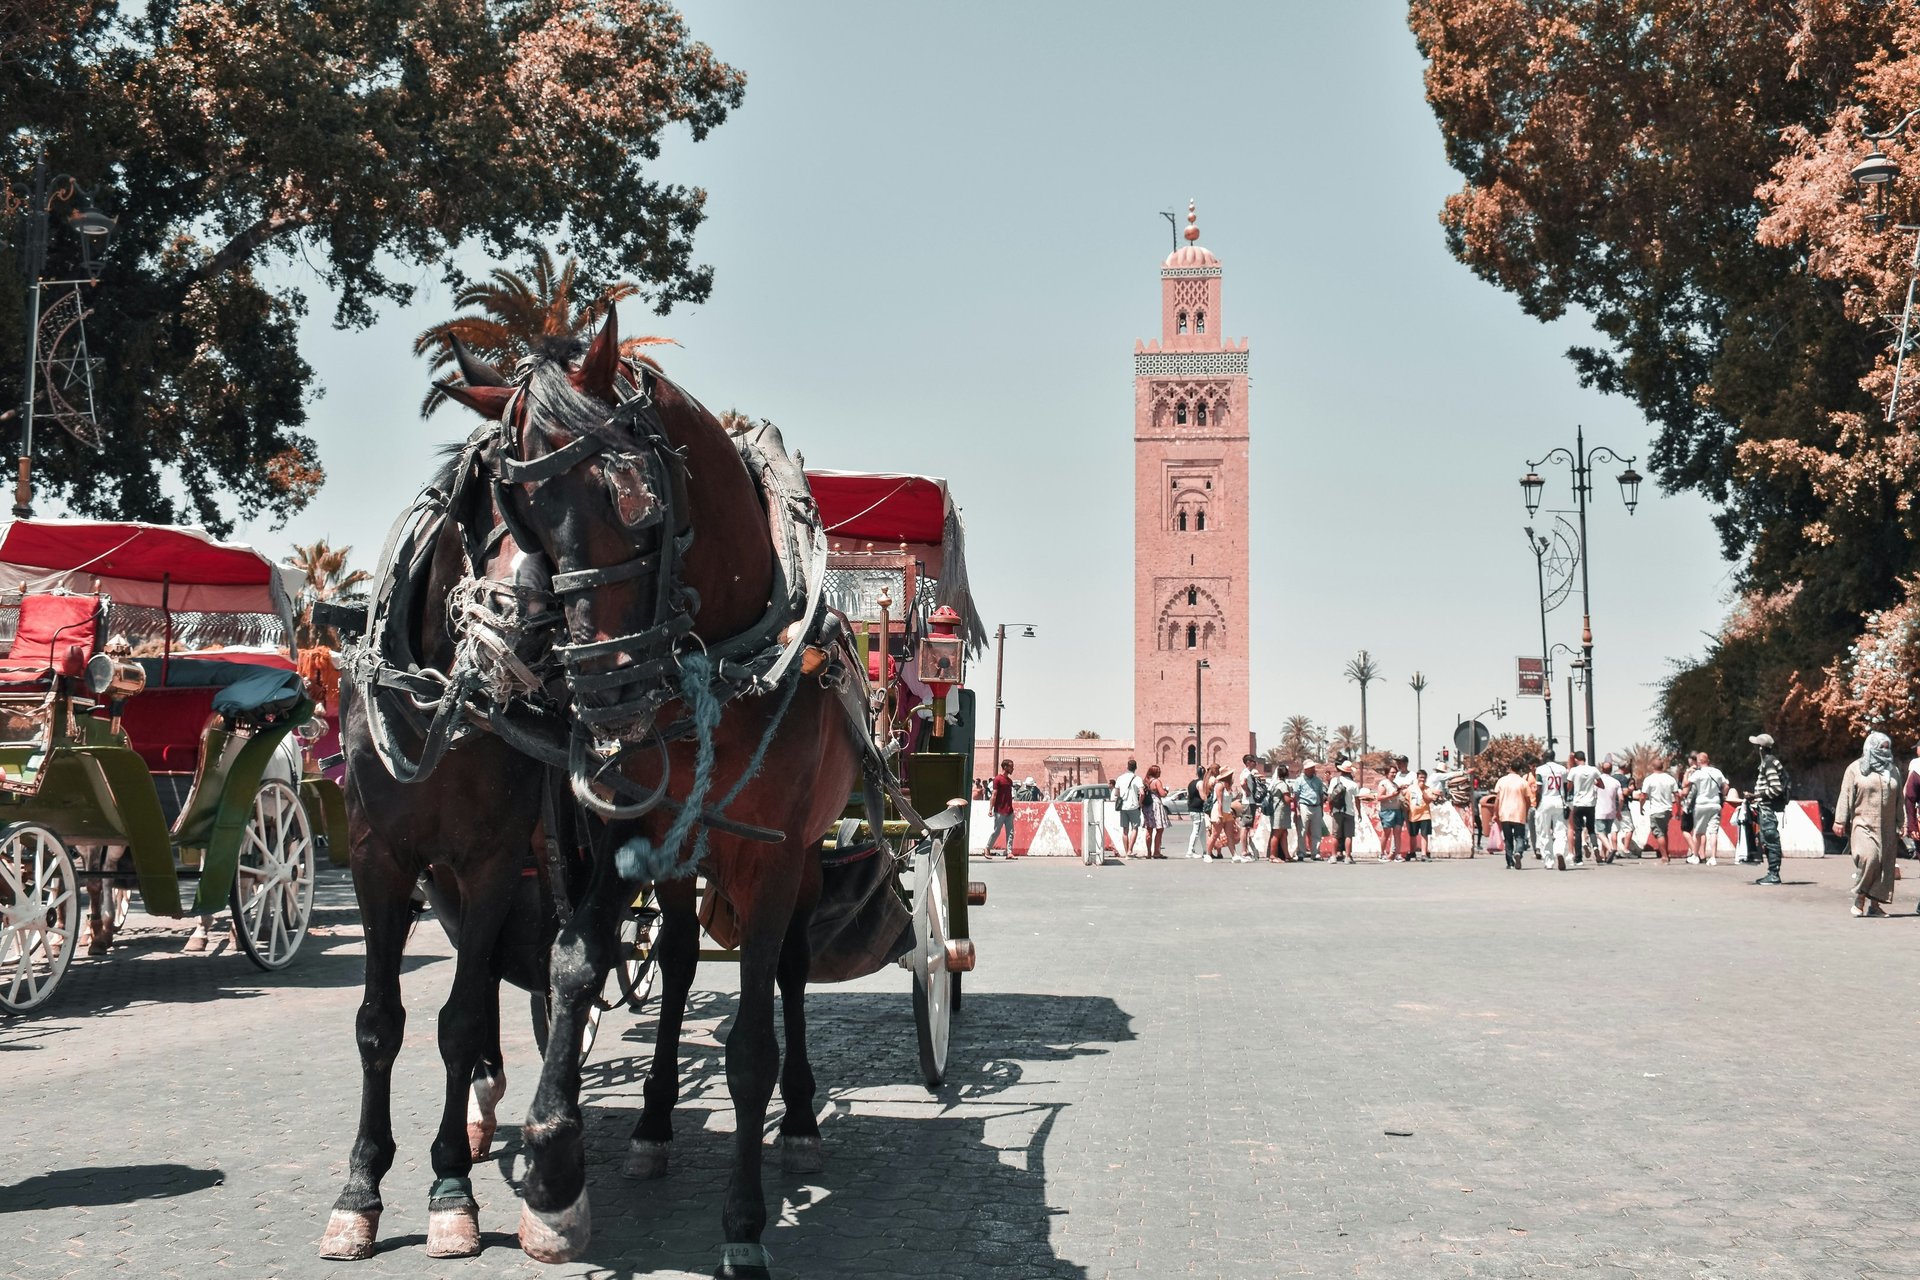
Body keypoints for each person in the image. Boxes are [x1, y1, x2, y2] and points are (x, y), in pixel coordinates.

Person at [1836, 731, 1901, 915]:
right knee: (1870, 858)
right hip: (1863, 823)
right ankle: (1860, 898)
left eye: (1887, 748)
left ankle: (1874, 906)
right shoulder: (1856, 769)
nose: (1885, 752)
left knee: (1884, 865)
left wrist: (1902, 822)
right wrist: (1840, 820)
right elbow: (1845, 794)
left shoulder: (1893, 770)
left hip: (1887, 826)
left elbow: (1899, 798)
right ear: (1871, 747)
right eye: (1881, 748)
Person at [1747, 733, 1790, 885]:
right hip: (1765, 808)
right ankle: (1771, 873)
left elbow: (1776, 788)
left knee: (1771, 839)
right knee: (1767, 839)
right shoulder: (1768, 762)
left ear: (1761, 748)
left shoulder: (1769, 763)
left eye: (1755, 746)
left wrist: (1757, 795)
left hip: (1767, 808)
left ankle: (1774, 874)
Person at [1684, 751, 1728, 864]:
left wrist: (1687, 773)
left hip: (1701, 804)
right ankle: (1713, 857)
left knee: (1698, 832)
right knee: (1713, 832)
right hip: (1715, 804)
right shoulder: (1717, 772)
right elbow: (1726, 786)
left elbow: (1685, 784)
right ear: (1708, 760)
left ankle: (1695, 856)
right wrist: (1723, 794)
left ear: (1698, 762)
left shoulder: (1698, 773)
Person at [1494, 758, 1534, 869]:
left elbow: (1497, 799)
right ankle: (1518, 852)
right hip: (1519, 813)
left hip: (1505, 814)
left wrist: (1495, 813)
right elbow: (1528, 800)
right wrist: (1526, 812)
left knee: (1508, 838)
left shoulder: (1502, 781)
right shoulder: (1523, 782)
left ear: (1510, 768)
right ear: (1520, 770)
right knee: (1519, 837)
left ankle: (1510, 862)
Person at [1639, 758, 1679, 863]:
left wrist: (1641, 806)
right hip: (1667, 809)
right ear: (1663, 767)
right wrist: (1678, 809)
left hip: (1656, 810)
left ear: (1652, 767)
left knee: (1659, 833)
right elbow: (1677, 795)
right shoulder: (1670, 779)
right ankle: (1666, 853)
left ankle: (1664, 856)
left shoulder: (1649, 779)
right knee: (1664, 831)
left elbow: (1643, 795)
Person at [1534, 753, 1569, 869]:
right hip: (1559, 801)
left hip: (1545, 802)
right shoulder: (1562, 769)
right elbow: (1565, 787)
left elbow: (1538, 788)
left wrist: (1537, 804)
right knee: (1560, 831)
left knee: (1544, 832)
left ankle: (1549, 861)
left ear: (1544, 757)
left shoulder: (1540, 770)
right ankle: (1559, 852)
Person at [1565, 751, 1599, 864]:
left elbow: (1569, 787)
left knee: (1578, 831)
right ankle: (1595, 847)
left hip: (1578, 803)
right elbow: (1601, 784)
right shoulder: (1593, 770)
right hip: (1590, 803)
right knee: (1591, 829)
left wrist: (1572, 785)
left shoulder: (1574, 771)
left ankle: (1578, 858)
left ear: (1575, 759)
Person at [1376, 755, 1409, 861]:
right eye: (1392, 772)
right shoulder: (1383, 783)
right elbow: (1379, 797)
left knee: (1397, 832)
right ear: (1387, 773)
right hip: (1387, 811)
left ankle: (1397, 854)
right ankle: (1382, 853)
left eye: (1395, 772)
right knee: (1386, 833)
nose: (1394, 774)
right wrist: (1392, 795)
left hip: (1397, 810)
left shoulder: (1395, 784)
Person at [1111, 759, 1145, 859]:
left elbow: (1116, 793)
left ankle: (1127, 853)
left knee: (1125, 830)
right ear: (1136, 768)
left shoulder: (1120, 778)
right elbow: (1142, 793)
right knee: (1134, 828)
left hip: (1123, 807)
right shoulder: (1137, 778)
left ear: (1127, 767)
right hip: (1134, 806)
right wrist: (1140, 803)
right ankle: (1130, 850)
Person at [1593, 757, 1624, 862]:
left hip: (1599, 811)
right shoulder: (1616, 782)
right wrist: (1618, 811)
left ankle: (1611, 849)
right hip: (1611, 811)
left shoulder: (1597, 781)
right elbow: (1621, 798)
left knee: (1599, 833)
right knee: (1605, 833)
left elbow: (1593, 794)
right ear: (1611, 770)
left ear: (1601, 769)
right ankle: (1603, 855)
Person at [1326, 761, 1358, 863]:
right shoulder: (1353, 784)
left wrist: (1331, 809)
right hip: (1349, 812)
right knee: (1348, 835)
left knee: (1336, 835)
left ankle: (1333, 856)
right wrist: (1359, 812)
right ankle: (1348, 857)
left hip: (1337, 811)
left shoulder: (1334, 780)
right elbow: (1357, 800)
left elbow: (1329, 797)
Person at [1294, 760, 1326, 861]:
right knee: (1302, 831)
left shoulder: (1318, 780)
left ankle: (1315, 852)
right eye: (1311, 768)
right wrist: (1297, 809)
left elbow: (1321, 794)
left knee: (1317, 831)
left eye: (1313, 768)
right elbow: (1296, 796)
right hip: (1304, 806)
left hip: (1316, 806)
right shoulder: (1299, 780)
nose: (1313, 770)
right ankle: (1302, 852)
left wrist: (1321, 808)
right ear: (1306, 769)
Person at [988, 759, 1016, 858]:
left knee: (1010, 832)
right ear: (1005, 767)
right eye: (1011, 766)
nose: (1012, 769)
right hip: (999, 810)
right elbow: (994, 795)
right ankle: (987, 848)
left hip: (1009, 811)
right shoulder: (998, 779)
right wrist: (990, 809)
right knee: (996, 831)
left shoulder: (1009, 781)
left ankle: (1009, 852)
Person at [1407, 768, 1436, 861]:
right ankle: (1412, 852)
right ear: (1417, 778)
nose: (1422, 780)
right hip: (1413, 814)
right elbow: (1407, 800)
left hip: (1425, 814)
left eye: (1424, 778)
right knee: (1413, 835)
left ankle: (1424, 854)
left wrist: (1422, 790)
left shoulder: (1428, 789)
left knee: (1424, 834)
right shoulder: (1411, 788)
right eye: (1420, 777)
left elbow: (1428, 800)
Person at [1266, 764, 1294, 862]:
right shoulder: (1282, 785)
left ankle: (1287, 855)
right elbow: (1286, 799)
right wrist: (1293, 798)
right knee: (1277, 834)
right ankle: (1273, 856)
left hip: (1276, 810)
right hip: (1280, 811)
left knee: (1283, 833)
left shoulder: (1275, 783)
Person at [1142, 764, 1169, 859]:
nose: (1160, 772)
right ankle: (1156, 852)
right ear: (1155, 773)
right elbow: (1162, 794)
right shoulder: (1157, 781)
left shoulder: (1145, 781)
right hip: (1156, 805)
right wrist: (1166, 791)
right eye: (1159, 771)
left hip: (1147, 806)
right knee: (1159, 829)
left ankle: (1148, 852)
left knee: (1149, 829)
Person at [1183, 771, 1206, 858]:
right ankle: (1190, 851)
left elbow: (1189, 796)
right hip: (1198, 809)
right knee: (1196, 830)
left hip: (1192, 808)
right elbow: (1203, 796)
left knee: (1202, 831)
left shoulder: (1191, 783)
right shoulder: (1200, 783)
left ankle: (1205, 850)